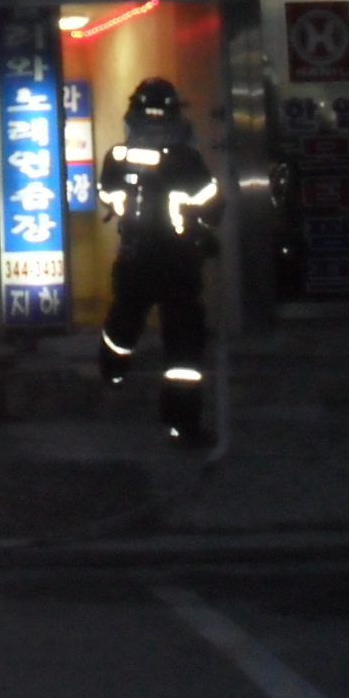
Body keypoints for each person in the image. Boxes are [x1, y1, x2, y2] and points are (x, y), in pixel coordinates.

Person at [97, 78, 220, 440]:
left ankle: (112, 372)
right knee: (183, 346)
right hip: (179, 262)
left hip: (134, 258)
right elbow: (213, 207)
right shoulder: (186, 160)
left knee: (124, 320)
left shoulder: (118, 157)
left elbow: (108, 194)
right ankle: (182, 424)